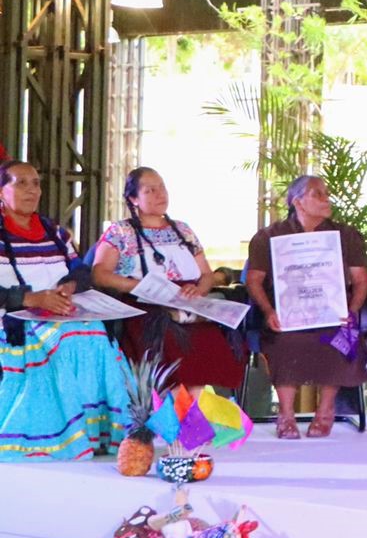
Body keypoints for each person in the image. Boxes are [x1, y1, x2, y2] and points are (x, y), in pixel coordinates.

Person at [0, 161, 131, 461]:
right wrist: (30, 299)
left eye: (36, 183)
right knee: (64, 339)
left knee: (96, 334)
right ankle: (59, 436)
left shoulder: (54, 231)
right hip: (13, 319)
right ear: (1, 191)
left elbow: (82, 271)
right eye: (21, 183)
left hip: (58, 312)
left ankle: (96, 433)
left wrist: (70, 285)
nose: (32, 190)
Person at [93, 167, 243, 392]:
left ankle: (194, 411)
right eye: (150, 190)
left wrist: (199, 289)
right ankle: (171, 411)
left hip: (187, 302)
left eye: (162, 187)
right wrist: (140, 286)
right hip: (145, 305)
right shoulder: (121, 231)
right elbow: (99, 274)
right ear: (134, 199)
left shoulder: (182, 229)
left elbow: (206, 274)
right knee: (170, 342)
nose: (160, 194)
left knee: (209, 341)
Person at [245, 175, 367, 439]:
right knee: (285, 341)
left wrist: (352, 310)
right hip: (288, 314)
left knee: (341, 338)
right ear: (298, 202)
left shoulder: (346, 235)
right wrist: (269, 311)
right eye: (318, 194)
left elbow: (361, 280)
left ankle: (325, 410)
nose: (327, 199)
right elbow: (254, 280)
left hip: (333, 313)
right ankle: (286, 414)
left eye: (326, 193)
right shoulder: (269, 236)